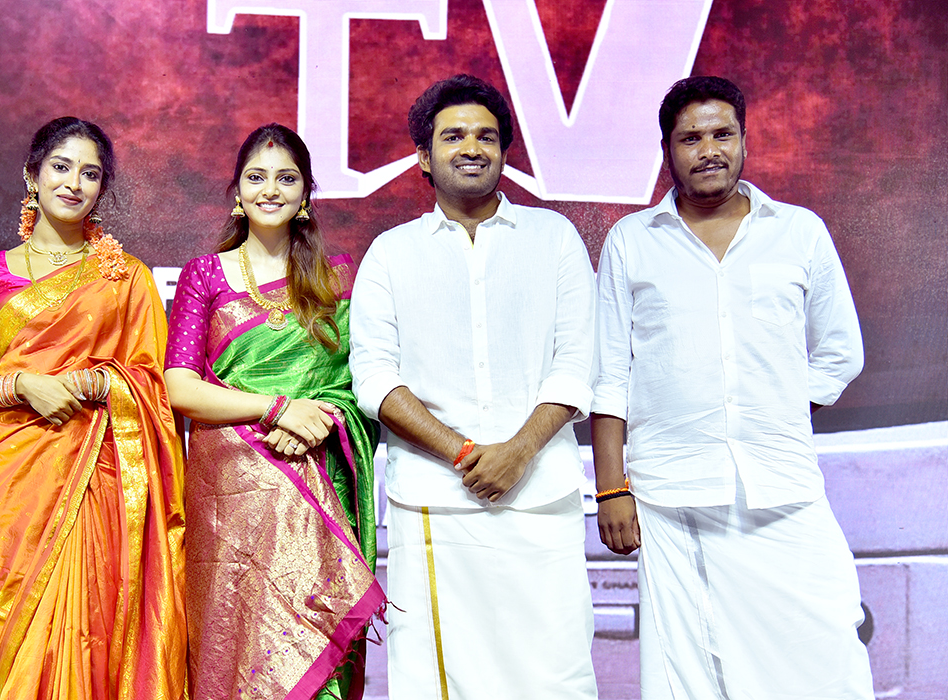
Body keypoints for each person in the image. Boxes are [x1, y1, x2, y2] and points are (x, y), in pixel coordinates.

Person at [591, 76, 874, 699]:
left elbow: (839, 352)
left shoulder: (799, 231)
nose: (709, 150)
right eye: (690, 138)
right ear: (667, 150)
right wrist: (611, 488)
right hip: (672, 493)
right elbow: (608, 375)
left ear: (745, 140)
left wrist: (771, 409)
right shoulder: (632, 241)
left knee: (826, 648)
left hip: (783, 483)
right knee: (691, 670)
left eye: (722, 134)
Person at [349, 75, 598, 699]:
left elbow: (576, 364)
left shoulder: (554, 238)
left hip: (541, 494)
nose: (471, 147)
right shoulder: (390, 253)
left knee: (555, 673)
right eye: (453, 135)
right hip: (435, 500)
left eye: (486, 136)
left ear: (505, 152)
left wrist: (519, 451)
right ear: (422, 156)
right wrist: (464, 454)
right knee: (437, 680)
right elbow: (375, 379)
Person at [0, 116, 187, 700]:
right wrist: (24, 386)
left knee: (99, 636)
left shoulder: (128, 279)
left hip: (105, 483)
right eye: (60, 167)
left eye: (90, 173)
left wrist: (96, 382)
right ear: (32, 175)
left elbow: (154, 386)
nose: (74, 183)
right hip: (17, 489)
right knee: (21, 647)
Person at [164, 123, 382, 700]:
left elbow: (355, 387)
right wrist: (278, 409)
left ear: (306, 192)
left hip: (315, 488)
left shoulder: (337, 278)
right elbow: (179, 386)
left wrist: (319, 421)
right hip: (230, 501)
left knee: (314, 652)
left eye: (286, 178)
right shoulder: (205, 274)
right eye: (256, 177)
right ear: (237, 191)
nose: (270, 190)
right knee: (232, 648)